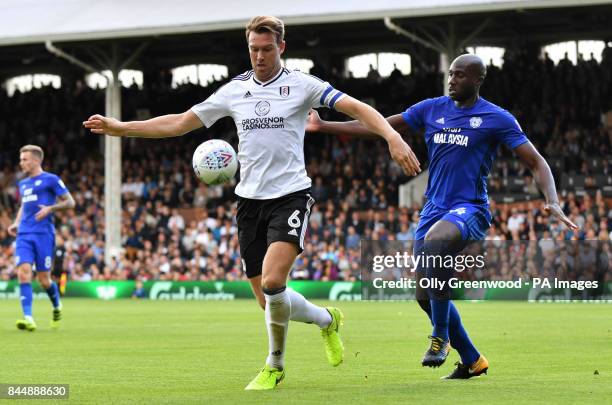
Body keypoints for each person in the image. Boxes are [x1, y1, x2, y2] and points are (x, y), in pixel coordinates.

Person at [83, 15, 421, 390]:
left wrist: (392, 137)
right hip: (248, 202)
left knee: (276, 282)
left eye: (265, 49)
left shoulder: (302, 85)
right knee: (267, 302)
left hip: (291, 196)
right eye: (253, 49)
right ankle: (328, 320)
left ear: (281, 47)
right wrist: (121, 127)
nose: (259, 56)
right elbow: (180, 123)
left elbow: (358, 108)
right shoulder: (234, 90)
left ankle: (274, 365)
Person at [306, 54, 578, 379]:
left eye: (461, 75)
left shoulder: (496, 118)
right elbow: (379, 125)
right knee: (424, 295)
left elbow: (536, 162)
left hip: (471, 210)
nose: (452, 80)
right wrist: (324, 125)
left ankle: (441, 338)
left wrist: (552, 200)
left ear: (478, 80)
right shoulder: (432, 108)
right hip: (433, 209)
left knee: (435, 248)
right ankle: (473, 360)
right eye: (451, 74)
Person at [8, 145, 75, 331]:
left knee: (44, 280)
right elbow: (24, 205)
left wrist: (50, 209)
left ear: (36, 160)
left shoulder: (51, 180)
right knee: (23, 272)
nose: (21, 163)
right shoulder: (23, 184)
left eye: (25, 159)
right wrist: (16, 222)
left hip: (44, 234)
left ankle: (56, 306)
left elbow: (70, 202)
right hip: (24, 234)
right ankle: (28, 317)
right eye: (21, 159)